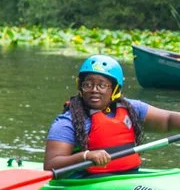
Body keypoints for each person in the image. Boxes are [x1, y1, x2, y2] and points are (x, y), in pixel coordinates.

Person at [44, 56, 180, 173]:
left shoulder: (131, 108)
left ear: (115, 89)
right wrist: (86, 156)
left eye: (102, 85)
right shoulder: (68, 122)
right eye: (88, 84)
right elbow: (50, 166)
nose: (94, 90)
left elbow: (168, 120)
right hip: (89, 181)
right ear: (80, 87)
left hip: (130, 176)